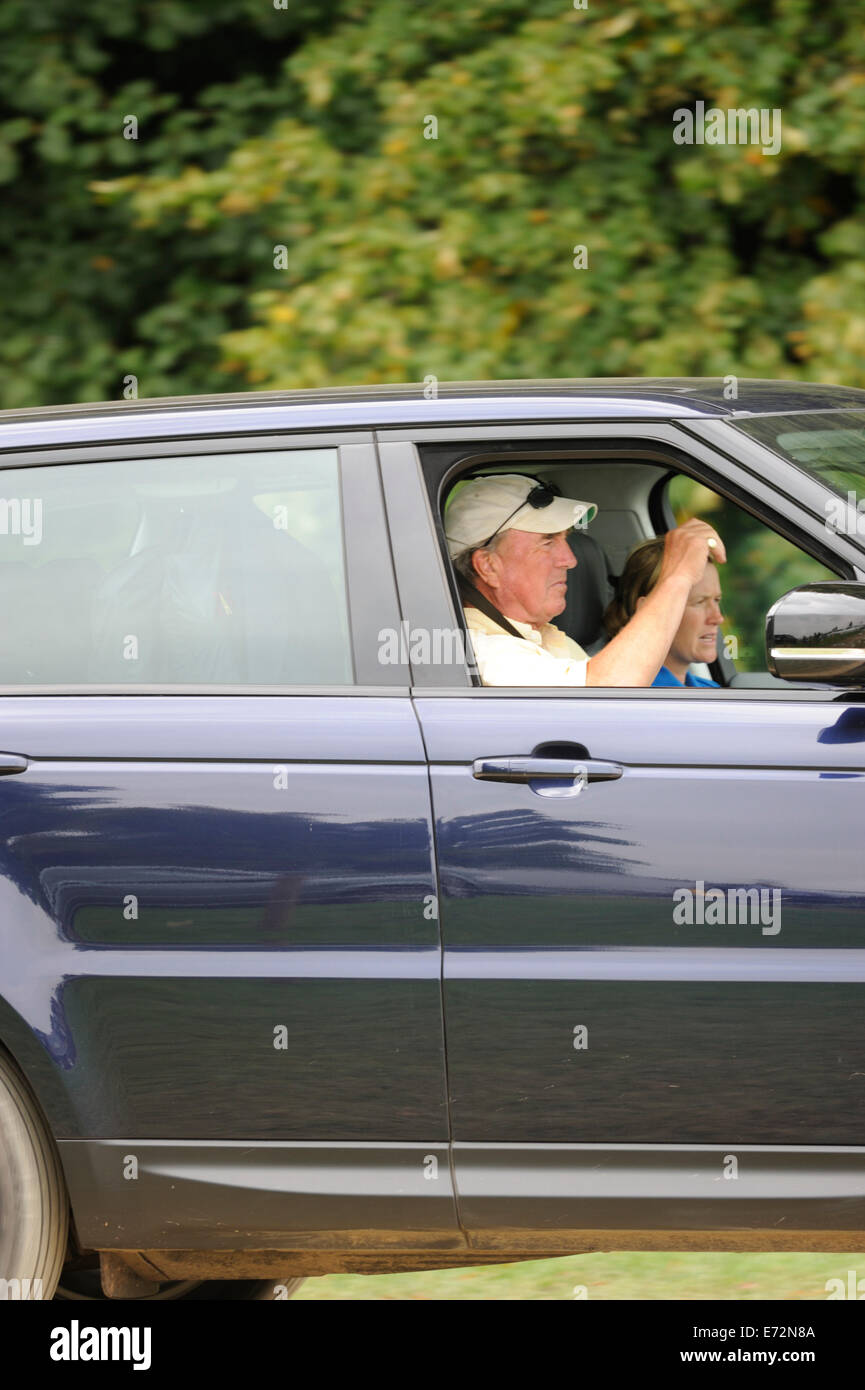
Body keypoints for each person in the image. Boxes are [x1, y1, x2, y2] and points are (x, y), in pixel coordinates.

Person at [444, 473, 725, 687]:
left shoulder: (551, 640)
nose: (570, 559)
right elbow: (607, 697)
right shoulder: (476, 651)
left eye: (566, 539)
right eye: (547, 542)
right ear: (488, 566)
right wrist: (678, 576)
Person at [603, 535, 723, 687]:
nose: (717, 618)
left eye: (716, 600)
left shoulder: (709, 689)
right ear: (647, 612)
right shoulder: (631, 695)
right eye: (699, 602)